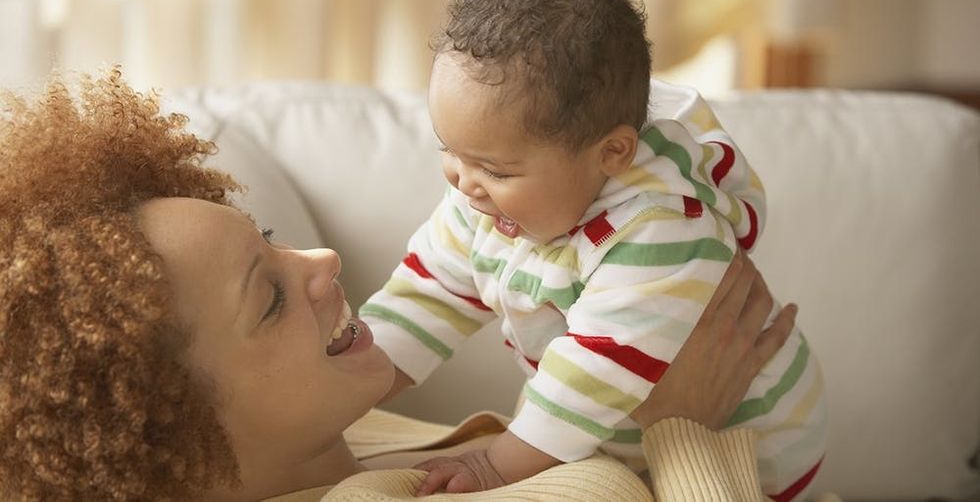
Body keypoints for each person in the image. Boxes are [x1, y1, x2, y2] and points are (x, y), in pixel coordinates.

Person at [0, 69, 797, 502]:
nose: (322, 262)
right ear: (169, 439)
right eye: (271, 296)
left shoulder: (353, 445)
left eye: (272, 243)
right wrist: (687, 427)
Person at [359, 0, 827, 498]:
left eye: (494, 168)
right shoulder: (481, 203)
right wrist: (349, 384)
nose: (463, 182)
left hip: (754, 448)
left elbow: (591, 374)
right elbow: (423, 295)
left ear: (612, 153)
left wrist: (494, 468)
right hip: (612, 437)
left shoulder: (660, 226)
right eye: (451, 151)